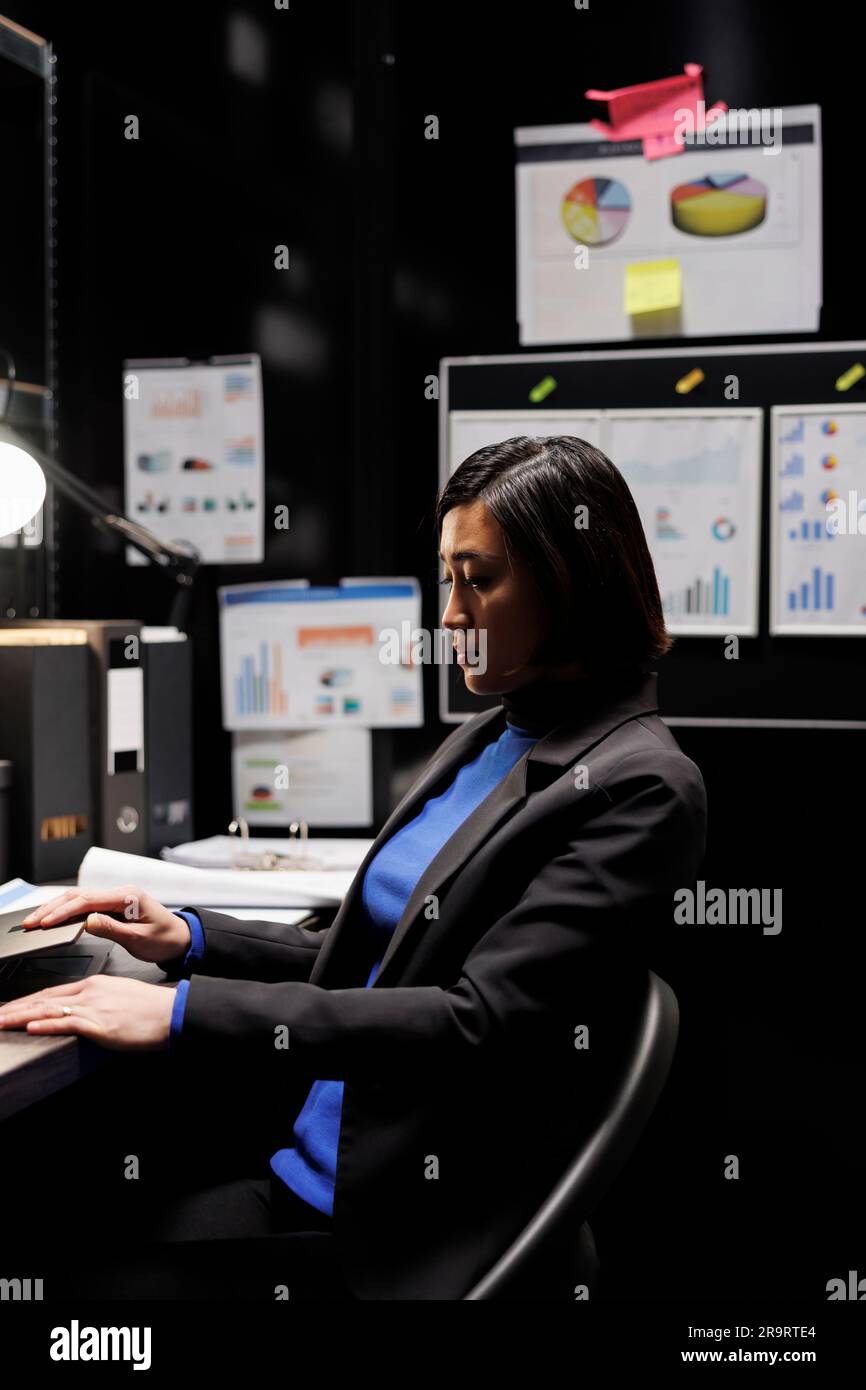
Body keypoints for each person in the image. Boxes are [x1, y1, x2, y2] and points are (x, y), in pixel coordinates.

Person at [0, 436, 707, 1301]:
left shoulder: (642, 785)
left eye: (478, 580)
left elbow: (475, 1022)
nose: (451, 615)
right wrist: (185, 936)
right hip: (304, 1175)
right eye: (449, 579)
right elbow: (371, 958)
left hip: (391, 1230)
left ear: (572, 579)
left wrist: (182, 1015)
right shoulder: (491, 733)